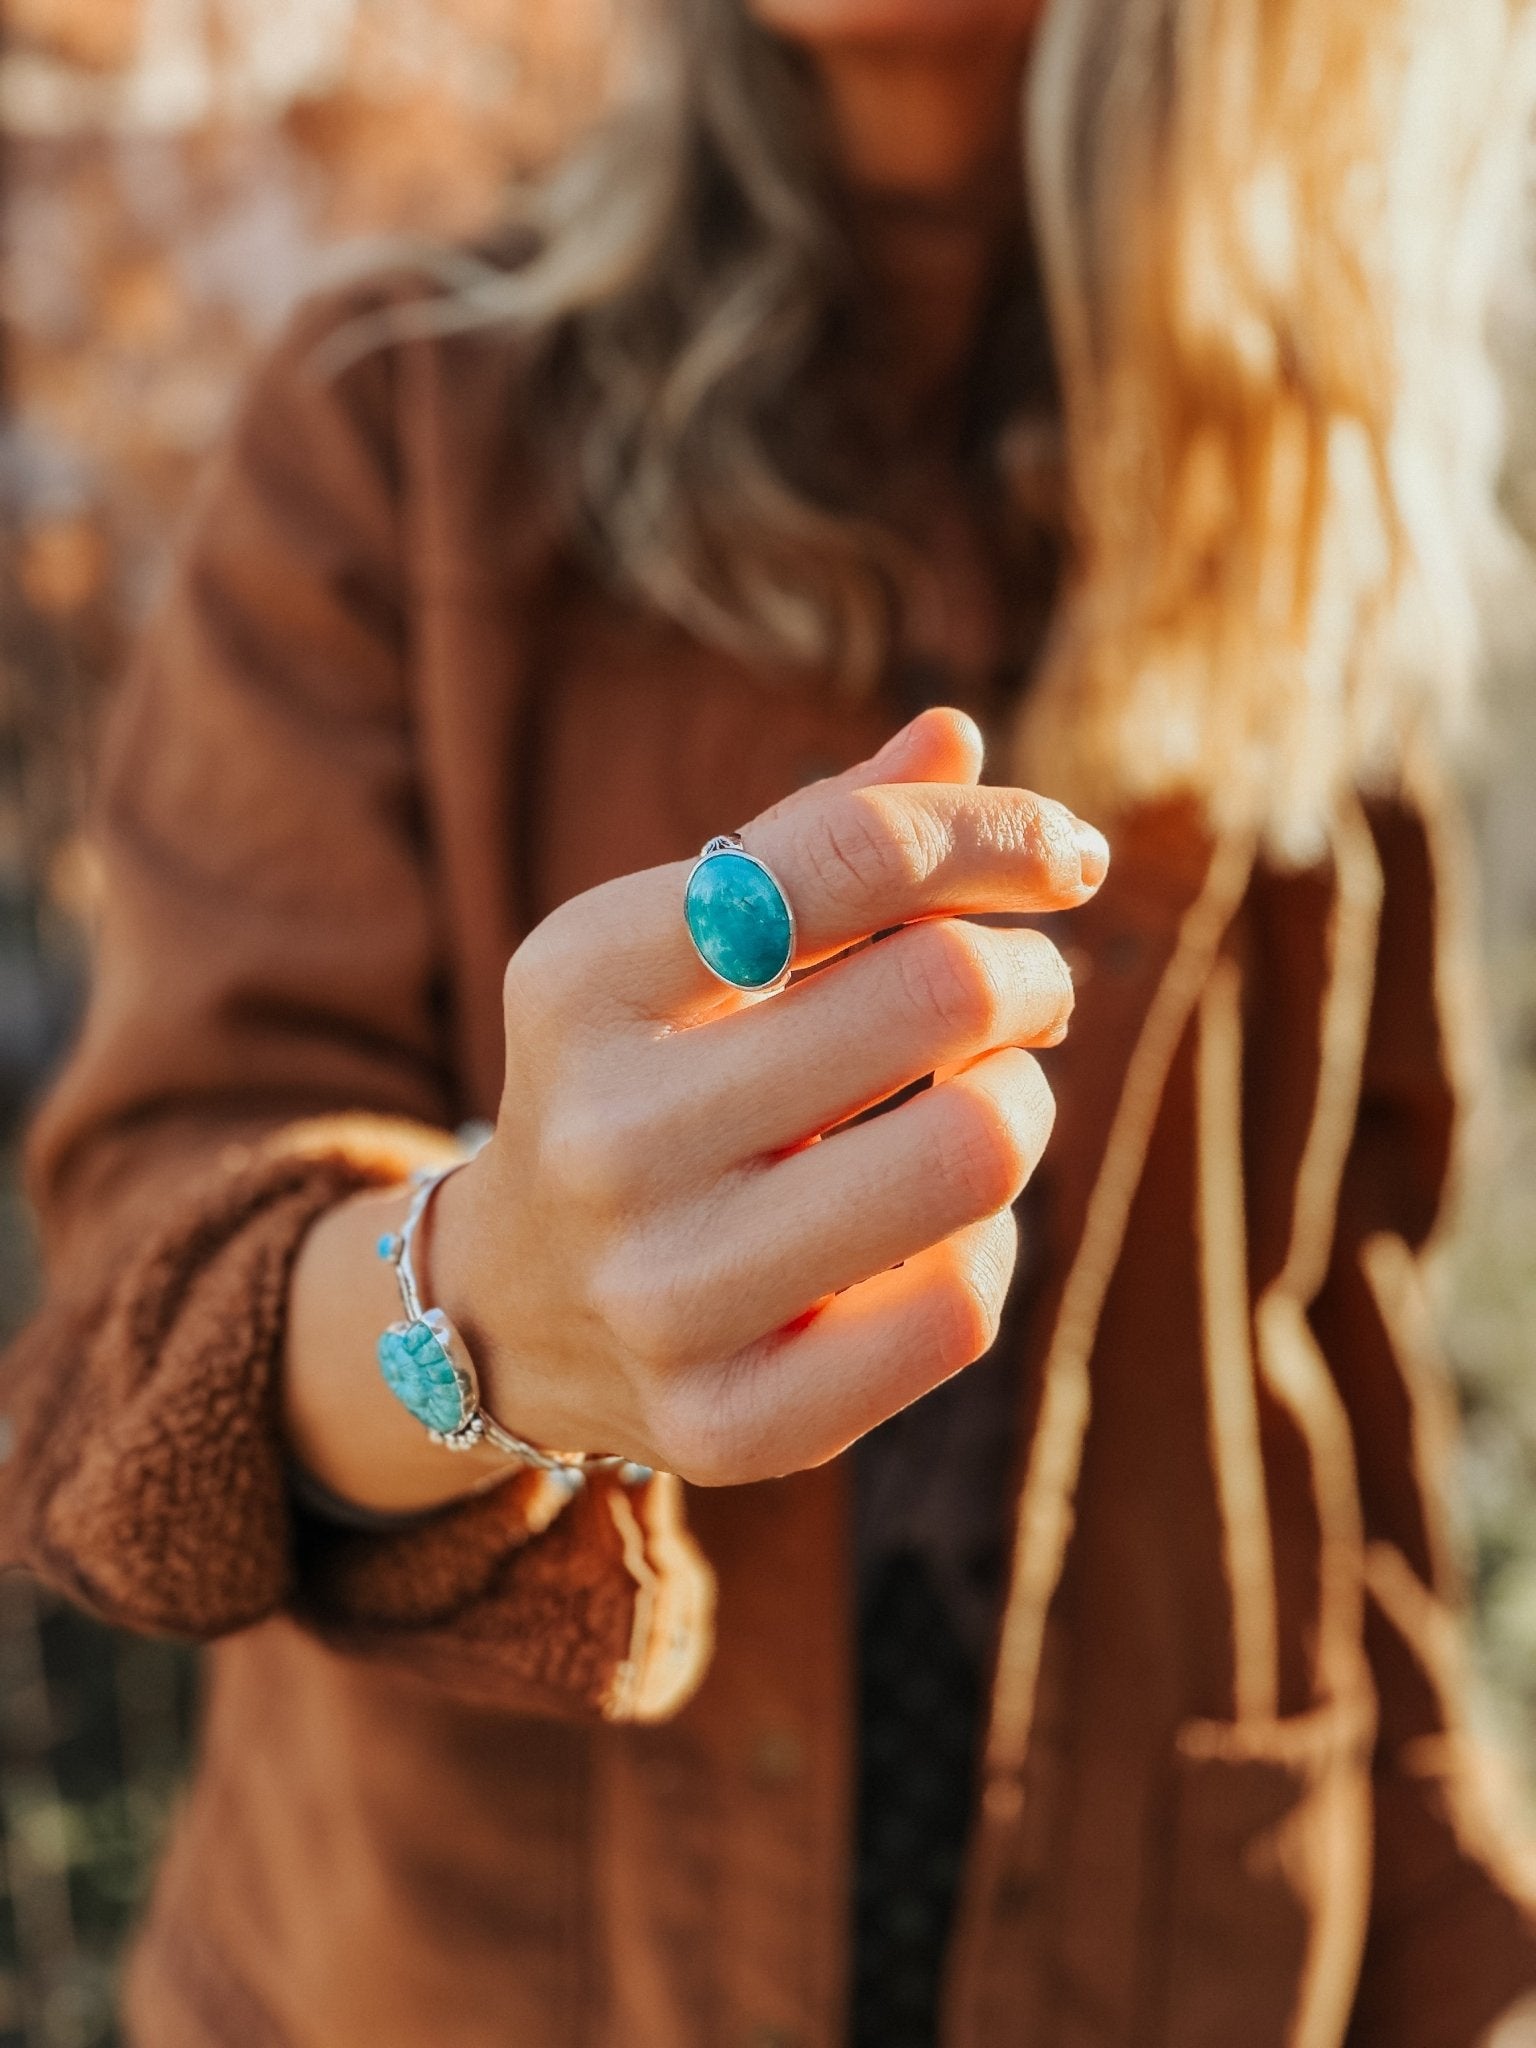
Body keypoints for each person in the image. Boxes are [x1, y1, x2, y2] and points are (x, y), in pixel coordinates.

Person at [3, 0, 1535, 2042]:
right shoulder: (406, 427)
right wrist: (483, 1301)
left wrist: (1469, 1953)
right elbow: (127, 1349)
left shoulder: (1288, 503)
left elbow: (1334, 1370)